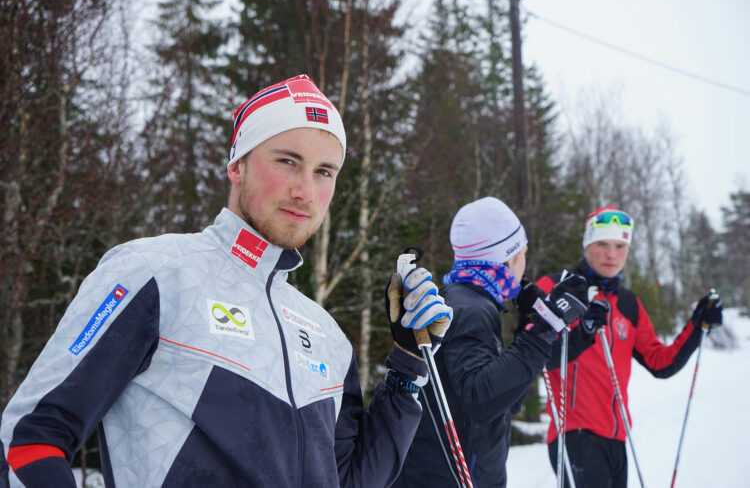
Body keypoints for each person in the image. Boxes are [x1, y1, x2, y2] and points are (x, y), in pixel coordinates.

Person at [0, 74, 453, 487]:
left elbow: (350, 481)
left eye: (324, 172)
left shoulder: (325, 334)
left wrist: (407, 366)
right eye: (288, 162)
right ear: (237, 165)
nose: (305, 191)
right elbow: (30, 441)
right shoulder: (155, 272)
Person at [394, 196, 592, 488]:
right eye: (523, 253)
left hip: (442, 472)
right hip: (455, 476)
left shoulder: (459, 298)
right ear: (511, 258)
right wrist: (542, 330)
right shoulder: (473, 310)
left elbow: (503, 399)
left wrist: (531, 321)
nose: (525, 262)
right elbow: (480, 400)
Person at [538, 206, 724, 488]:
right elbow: (539, 355)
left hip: (617, 439)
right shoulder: (556, 286)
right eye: (602, 244)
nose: (612, 254)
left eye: (620, 245)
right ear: (588, 244)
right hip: (573, 434)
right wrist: (583, 331)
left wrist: (697, 327)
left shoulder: (627, 304)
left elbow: (660, 362)